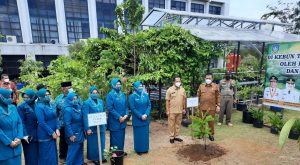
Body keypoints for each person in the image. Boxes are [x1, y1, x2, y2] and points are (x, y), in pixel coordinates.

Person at [55, 81, 82, 160]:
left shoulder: (76, 97)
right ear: (63, 89)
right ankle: (63, 156)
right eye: (67, 88)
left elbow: (80, 105)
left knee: (74, 141)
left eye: (70, 87)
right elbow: (55, 111)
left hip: (75, 123)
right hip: (63, 123)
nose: (69, 89)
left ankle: (74, 157)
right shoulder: (59, 98)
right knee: (63, 140)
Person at [35, 88, 60, 165]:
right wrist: (52, 132)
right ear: (40, 96)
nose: (47, 96)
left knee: (53, 153)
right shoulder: (39, 107)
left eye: (48, 94)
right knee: (46, 154)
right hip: (44, 133)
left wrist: (57, 128)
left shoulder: (51, 104)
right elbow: (42, 122)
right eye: (45, 95)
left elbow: (56, 117)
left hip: (54, 132)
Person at [83, 86, 107, 164]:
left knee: (102, 141)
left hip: (101, 125)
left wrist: (105, 123)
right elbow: (85, 116)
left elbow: (103, 112)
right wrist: (87, 128)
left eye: (96, 93)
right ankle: (95, 158)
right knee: (93, 143)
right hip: (92, 127)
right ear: (90, 93)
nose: (95, 94)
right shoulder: (87, 103)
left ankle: (102, 156)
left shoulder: (100, 101)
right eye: (93, 93)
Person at [0, 88, 23, 165]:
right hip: (4, 147)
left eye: (10, 96)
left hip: (17, 145)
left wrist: (19, 137)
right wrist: (9, 142)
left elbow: (19, 123)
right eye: (8, 97)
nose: (10, 98)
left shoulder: (13, 107)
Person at [106, 78, 128, 152]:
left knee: (121, 136)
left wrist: (126, 115)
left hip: (123, 119)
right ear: (113, 85)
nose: (118, 86)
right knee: (115, 137)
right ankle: (114, 153)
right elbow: (110, 108)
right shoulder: (110, 95)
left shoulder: (122, 94)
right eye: (117, 84)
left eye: (119, 84)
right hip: (115, 120)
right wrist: (119, 117)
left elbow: (126, 106)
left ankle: (121, 151)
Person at [129, 81, 151, 155]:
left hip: (145, 118)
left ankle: (145, 148)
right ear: (135, 88)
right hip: (137, 119)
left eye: (141, 86)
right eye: (139, 87)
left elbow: (149, 105)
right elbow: (133, 108)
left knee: (145, 135)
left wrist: (146, 114)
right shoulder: (132, 97)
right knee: (138, 135)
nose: (140, 88)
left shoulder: (145, 95)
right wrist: (140, 116)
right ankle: (138, 149)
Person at [17, 89, 38, 165]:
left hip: (38, 134)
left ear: (33, 97)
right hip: (28, 136)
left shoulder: (37, 104)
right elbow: (21, 122)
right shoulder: (21, 107)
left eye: (28, 97)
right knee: (30, 156)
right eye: (24, 97)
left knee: (38, 156)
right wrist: (25, 135)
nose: (26, 99)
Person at [197, 73, 220, 141]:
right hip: (202, 107)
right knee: (202, 121)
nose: (208, 79)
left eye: (209, 78)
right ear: (205, 79)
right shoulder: (201, 86)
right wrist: (196, 104)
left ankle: (211, 134)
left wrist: (218, 105)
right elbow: (198, 95)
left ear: (212, 79)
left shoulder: (215, 86)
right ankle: (202, 133)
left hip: (211, 108)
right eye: (207, 78)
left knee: (211, 122)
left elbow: (218, 96)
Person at [64, 92, 85, 165]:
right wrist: (71, 135)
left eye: (76, 98)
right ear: (69, 99)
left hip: (80, 132)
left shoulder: (78, 107)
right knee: (72, 152)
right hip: (73, 134)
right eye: (73, 99)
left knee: (79, 150)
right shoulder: (67, 110)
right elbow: (67, 124)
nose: (75, 100)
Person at [165, 76, 186, 144]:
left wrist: (184, 108)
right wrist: (167, 110)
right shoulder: (170, 90)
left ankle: (176, 136)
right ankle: (171, 137)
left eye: (179, 81)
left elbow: (184, 100)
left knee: (178, 124)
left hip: (180, 111)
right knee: (171, 124)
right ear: (174, 82)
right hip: (172, 111)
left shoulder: (182, 90)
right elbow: (167, 101)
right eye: (177, 81)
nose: (178, 82)